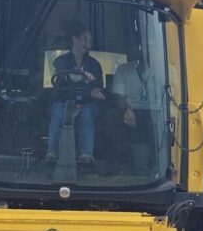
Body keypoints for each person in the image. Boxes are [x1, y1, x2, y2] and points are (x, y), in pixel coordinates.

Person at [46, 20, 105, 165]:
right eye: (84, 39)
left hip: (87, 104)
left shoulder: (95, 64)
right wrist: (84, 82)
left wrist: (87, 92)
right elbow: (59, 86)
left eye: (90, 41)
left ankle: (86, 155)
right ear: (74, 39)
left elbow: (98, 90)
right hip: (64, 101)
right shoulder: (60, 61)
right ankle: (52, 152)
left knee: (87, 113)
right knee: (58, 111)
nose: (88, 44)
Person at [110, 43, 160, 172]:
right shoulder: (123, 69)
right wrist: (127, 110)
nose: (147, 52)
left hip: (156, 111)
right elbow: (118, 97)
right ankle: (124, 162)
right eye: (144, 48)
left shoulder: (165, 70)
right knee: (112, 117)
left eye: (151, 48)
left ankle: (157, 164)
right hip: (131, 109)